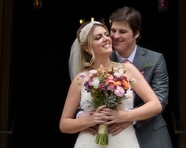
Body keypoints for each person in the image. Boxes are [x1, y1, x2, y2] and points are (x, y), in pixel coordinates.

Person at [60, 20, 162, 148]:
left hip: (123, 140)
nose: (106, 39)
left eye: (106, 34)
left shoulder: (127, 69)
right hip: (90, 142)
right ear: (87, 48)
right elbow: (64, 124)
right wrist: (87, 121)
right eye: (98, 37)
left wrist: (124, 116)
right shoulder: (80, 79)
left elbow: (155, 105)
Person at [108, 6, 173, 148]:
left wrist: (130, 118)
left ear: (136, 33)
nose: (115, 36)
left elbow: (160, 100)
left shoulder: (155, 59)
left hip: (150, 134)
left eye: (122, 31)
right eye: (113, 30)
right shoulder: (104, 60)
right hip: (113, 136)